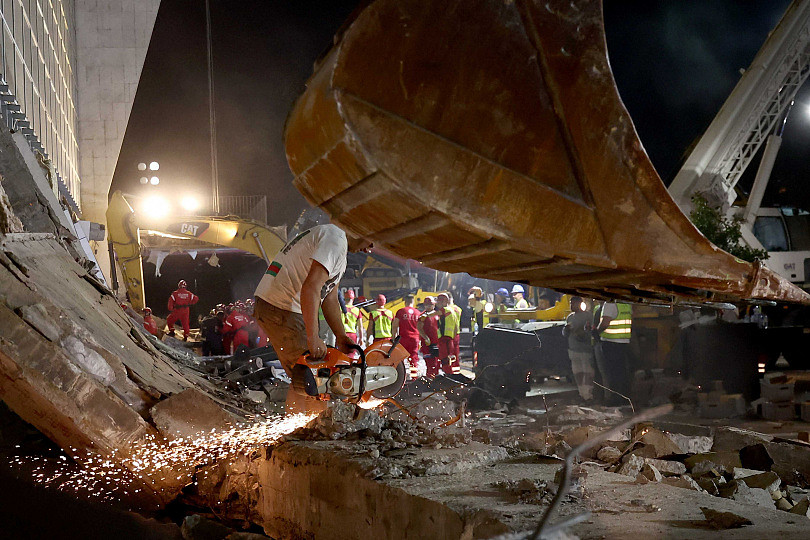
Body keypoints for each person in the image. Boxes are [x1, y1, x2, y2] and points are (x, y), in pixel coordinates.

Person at [252, 224, 373, 413]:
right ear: (360, 228)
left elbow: (329, 298)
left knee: (302, 374)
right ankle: (316, 427)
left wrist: (340, 336)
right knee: (316, 373)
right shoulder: (335, 239)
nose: (369, 248)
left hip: (279, 306)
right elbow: (311, 287)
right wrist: (312, 337)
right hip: (283, 307)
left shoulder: (337, 246)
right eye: (371, 241)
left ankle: (300, 426)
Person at [592, 300, 632, 406]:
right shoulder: (625, 304)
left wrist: (596, 331)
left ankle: (615, 400)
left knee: (612, 373)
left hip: (611, 343)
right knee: (622, 372)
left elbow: (605, 322)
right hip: (624, 342)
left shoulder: (609, 304)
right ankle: (625, 399)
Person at [563, 296, 595, 402]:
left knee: (588, 373)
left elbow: (590, 331)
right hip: (573, 349)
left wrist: (582, 333)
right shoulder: (570, 317)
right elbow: (565, 334)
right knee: (578, 373)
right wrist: (566, 330)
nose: (572, 306)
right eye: (571, 303)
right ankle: (582, 393)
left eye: (574, 303)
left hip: (585, 349)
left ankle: (588, 395)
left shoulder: (588, 316)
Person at [392, 294, 422, 379]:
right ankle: (414, 377)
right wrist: (420, 339)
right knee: (413, 358)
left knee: (399, 358)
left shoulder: (401, 311)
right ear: (413, 301)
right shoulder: (418, 313)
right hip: (414, 339)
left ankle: (400, 378)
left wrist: (393, 338)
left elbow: (395, 326)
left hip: (403, 338)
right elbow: (421, 327)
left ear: (405, 301)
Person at [436, 292, 462, 375]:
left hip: (445, 337)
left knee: (445, 358)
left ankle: (449, 375)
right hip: (455, 335)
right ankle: (456, 375)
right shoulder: (458, 309)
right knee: (454, 357)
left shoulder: (445, 310)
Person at [418, 297, 441, 378]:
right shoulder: (422, 316)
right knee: (430, 364)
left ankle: (436, 380)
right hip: (427, 344)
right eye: (427, 305)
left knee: (437, 363)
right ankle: (430, 380)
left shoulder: (437, 315)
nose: (429, 306)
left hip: (437, 343)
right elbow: (419, 328)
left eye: (430, 304)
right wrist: (426, 338)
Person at [341, 289, 364, 355]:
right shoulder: (357, 310)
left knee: (341, 355)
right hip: (352, 335)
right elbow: (360, 327)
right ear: (353, 298)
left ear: (344, 298)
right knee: (351, 355)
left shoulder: (340, 309)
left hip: (342, 334)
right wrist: (361, 338)